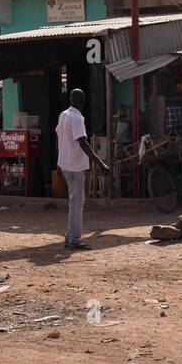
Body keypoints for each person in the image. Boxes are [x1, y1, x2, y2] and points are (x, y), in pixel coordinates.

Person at [56, 88, 110, 250]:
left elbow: (59, 139)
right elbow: (83, 142)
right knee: (77, 202)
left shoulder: (63, 115)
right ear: (82, 101)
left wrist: (59, 162)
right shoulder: (77, 118)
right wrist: (100, 163)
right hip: (75, 165)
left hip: (66, 164)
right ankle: (74, 238)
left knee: (74, 201)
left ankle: (70, 235)